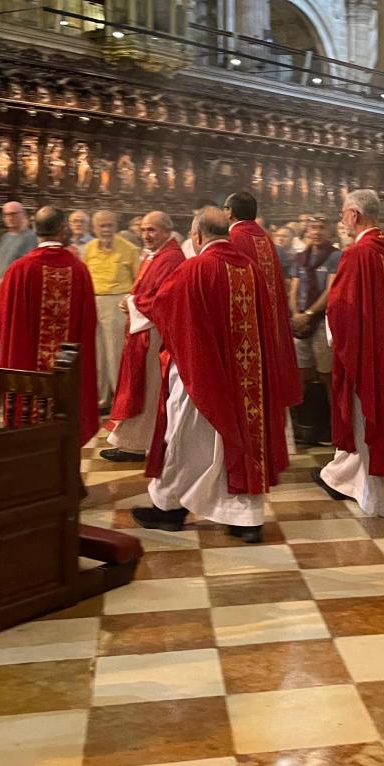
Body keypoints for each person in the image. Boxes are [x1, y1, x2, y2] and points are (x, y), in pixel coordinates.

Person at [131, 210, 289, 542]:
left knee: (184, 439)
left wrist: (133, 306)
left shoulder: (193, 268)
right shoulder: (250, 269)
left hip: (201, 374)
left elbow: (163, 308)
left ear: (198, 236)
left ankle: (169, 508)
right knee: (241, 443)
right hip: (247, 379)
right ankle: (245, 518)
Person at [314, 190, 384, 517]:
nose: (341, 219)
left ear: (354, 215)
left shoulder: (358, 254)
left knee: (367, 421)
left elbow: (340, 306)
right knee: (380, 422)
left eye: (343, 212)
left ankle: (379, 497)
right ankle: (347, 480)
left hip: (367, 358)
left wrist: (335, 336)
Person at [0, 206, 99, 444]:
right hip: (66, 375)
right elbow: (88, 324)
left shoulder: (19, 270)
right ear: (63, 230)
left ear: (35, 229)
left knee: (29, 412)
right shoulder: (78, 270)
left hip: (29, 368)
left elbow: (4, 320)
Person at [102, 211, 185, 462]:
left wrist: (131, 302)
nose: (146, 235)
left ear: (167, 231)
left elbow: (163, 298)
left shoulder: (171, 258)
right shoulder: (156, 255)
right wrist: (132, 301)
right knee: (141, 387)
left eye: (152, 230)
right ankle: (133, 442)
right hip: (143, 329)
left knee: (148, 390)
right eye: (144, 230)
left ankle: (140, 445)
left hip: (154, 334)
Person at [224, 192, 304, 416]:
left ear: (229, 212)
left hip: (245, 327)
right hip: (270, 324)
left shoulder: (233, 239)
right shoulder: (264, 238)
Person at [288, 215, 341, 444]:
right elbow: (293, 288)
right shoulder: (301, 258)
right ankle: (305, 427)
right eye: (313, 228)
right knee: (301, 375)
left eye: (321, 227)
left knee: (327, 376)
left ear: (329, 231)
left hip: (321, 322)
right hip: (300, 323)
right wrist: (296, 315)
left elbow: (331, 291)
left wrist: (309, 314)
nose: (317, 232)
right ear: (306, 231)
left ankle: (336, 428)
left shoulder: (335, 256)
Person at [83, 209, 141, 410]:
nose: (106, 230)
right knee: (97, 353)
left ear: (116, 227)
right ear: (94, 228)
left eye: (110, 225)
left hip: (117, 303)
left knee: (116, 353)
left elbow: (138, 282)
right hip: (93, 302)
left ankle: (120, 399)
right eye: (101, 226)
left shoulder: (129, 249)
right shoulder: (88, 249)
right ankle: (101, 399)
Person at [0, 201, 36, 288]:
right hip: (1, 287)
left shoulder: (31, 237)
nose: (10, 218)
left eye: (13, 214)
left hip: (16, 287)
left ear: (23, 214)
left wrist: (3, 281)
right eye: (6, 215)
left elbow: (26, 267)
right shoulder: (5, 237)